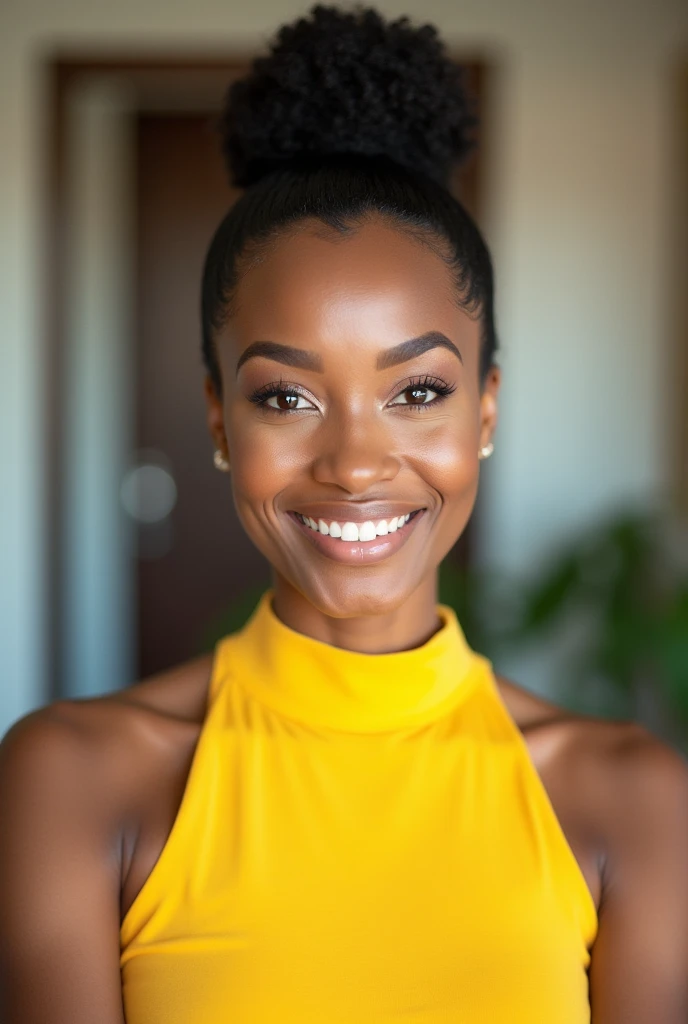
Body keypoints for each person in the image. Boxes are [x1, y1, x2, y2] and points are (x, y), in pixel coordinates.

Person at [1, 5, 687, 1022]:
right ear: (219, 418)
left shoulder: (631, 798)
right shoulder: (71, 777)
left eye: (418, 392)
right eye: (286, 396)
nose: (357, 463)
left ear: (486, 408)